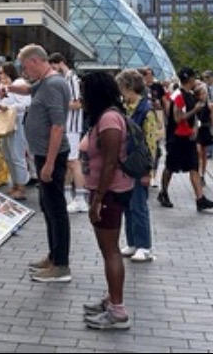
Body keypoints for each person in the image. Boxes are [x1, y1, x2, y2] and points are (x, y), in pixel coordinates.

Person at [5, 44, 71, 283]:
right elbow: (27, 90)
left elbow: (57, 126)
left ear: (35, 61)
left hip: (51, 155)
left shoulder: (53, 85)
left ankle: (61, 265)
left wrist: (50, 163)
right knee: (49, 208)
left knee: (56, 210)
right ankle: (54, 256)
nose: (25, 72)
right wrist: (9, 88)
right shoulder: (44, 82)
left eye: (25, 67)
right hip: (43, 154)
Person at [78, 71, 134, 330]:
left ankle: (118, 311)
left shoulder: (109, 119)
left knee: (111, 250)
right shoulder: (105, 117)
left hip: (110, 192)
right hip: (106, 191)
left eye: (84, 92)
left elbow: (110, 161)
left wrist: (97, 199)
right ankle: (112, 298)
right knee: (107, 249)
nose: (81, 97)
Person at [156, 67, 213, 212]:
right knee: (170, 166)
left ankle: (200, 198)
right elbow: (177, 118)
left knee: (193, 166)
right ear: (190, 78)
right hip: (176, 137)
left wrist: (195, 129)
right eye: (194, 78)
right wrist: (195, 110)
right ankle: (163, 192)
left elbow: (193, 118)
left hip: (188, 137)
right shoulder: (178, 96)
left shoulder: (189, 95)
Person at [116, 69, 156, 263]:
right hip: (126, 164)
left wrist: (149, 170)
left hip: (139, 164)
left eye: (122, 88)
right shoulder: (126, 107)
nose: (122, 93)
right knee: (128, 206)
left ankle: (144, 245)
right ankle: (132, 241)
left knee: (139, 206)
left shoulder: (145, 110)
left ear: (129, 87)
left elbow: (151, 143)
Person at [48, 52, 88, 214]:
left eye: (54, 66)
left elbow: (77, 103)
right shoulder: (66, 79)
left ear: (60, 63)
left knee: (73, 162)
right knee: (68, 161)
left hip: (71, 126)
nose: (53, 70)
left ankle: (80, 198)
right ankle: (69, 196)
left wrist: (59, 104)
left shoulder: (72, 79)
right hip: (67, 126)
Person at [0, 62, 31, 200]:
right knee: (7, 155)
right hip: (5, 124)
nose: (0, 75)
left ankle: (21, 186)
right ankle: (14, 183)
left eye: (2, 72)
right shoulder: (3, 85)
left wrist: (10, 107)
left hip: (17, 123)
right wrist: (0, 89)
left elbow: (26, 104)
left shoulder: (19, 83)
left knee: (17, 155)